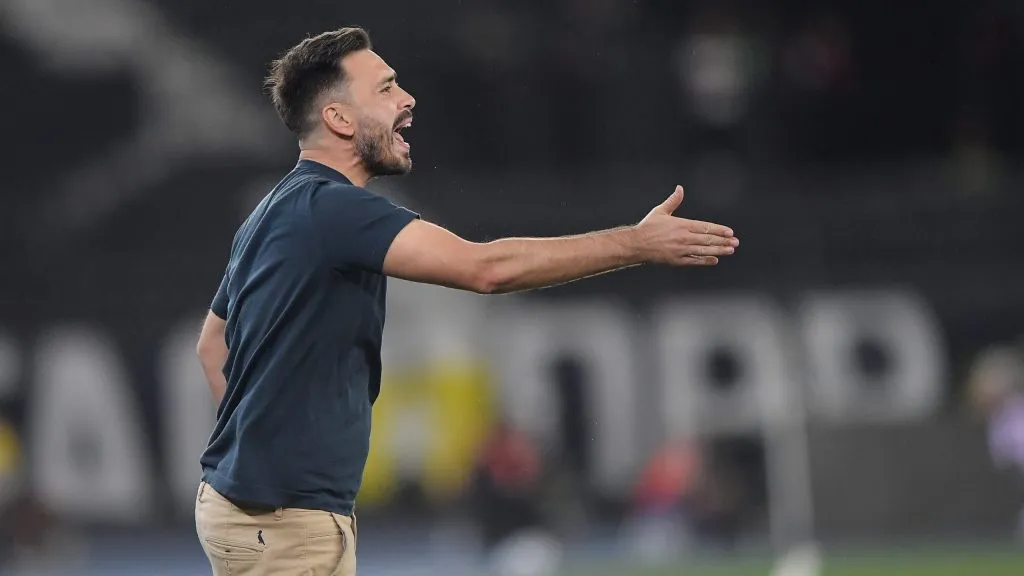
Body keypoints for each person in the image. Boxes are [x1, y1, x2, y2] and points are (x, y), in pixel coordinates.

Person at [193, 26, 739, 576]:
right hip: (285, 522)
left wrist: (257, 458)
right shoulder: (333, 210)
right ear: (339, 119)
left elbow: (212, 345)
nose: (407, 100)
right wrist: (635, 243)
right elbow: (486, 269)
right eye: (385, 89)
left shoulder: (273, 209)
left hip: (250, 509)